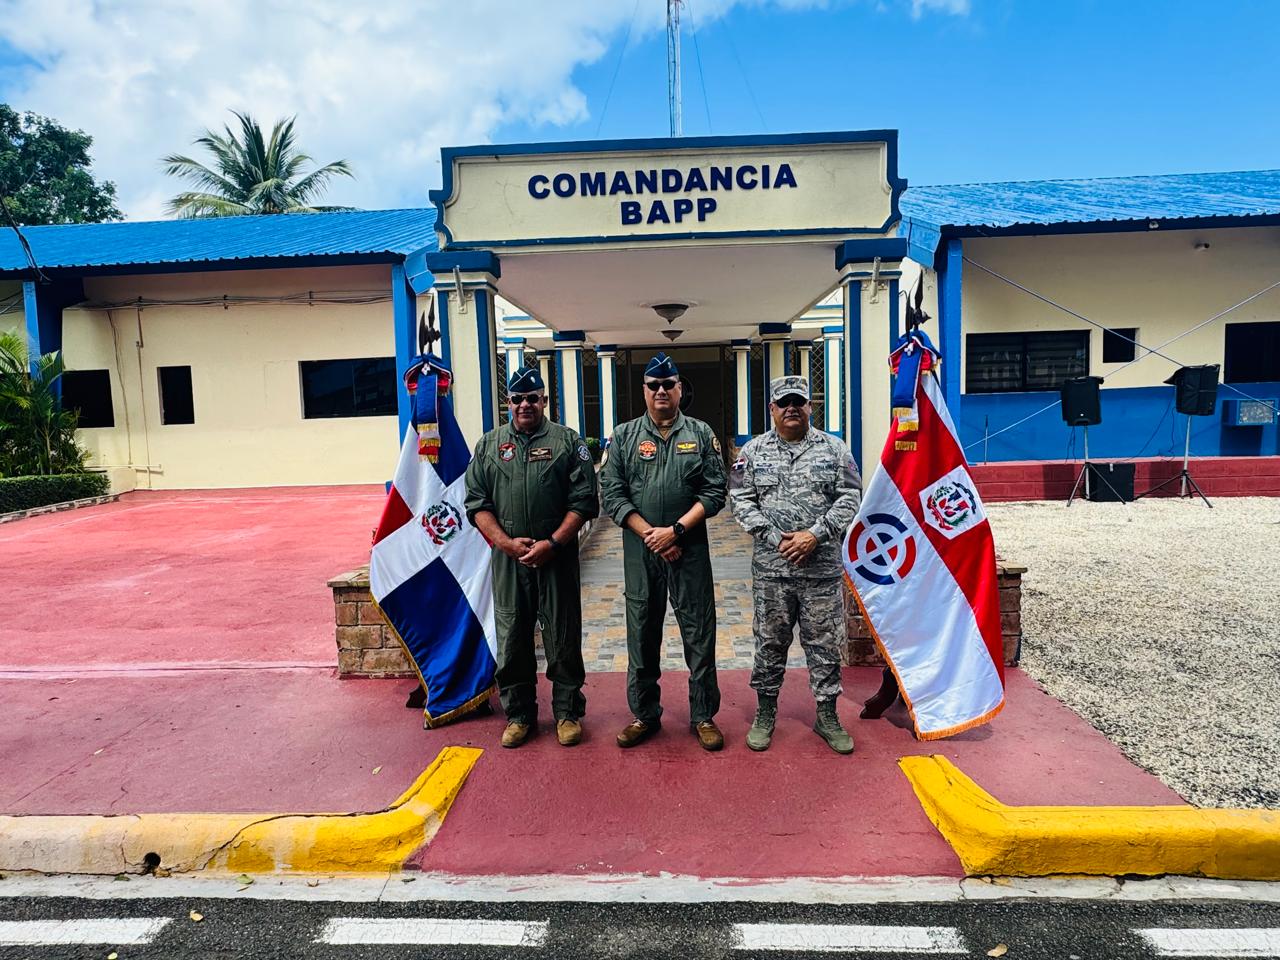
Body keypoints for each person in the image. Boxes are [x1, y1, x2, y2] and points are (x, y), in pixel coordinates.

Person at [463, 366, 599, 748]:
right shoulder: (489, 446)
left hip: (555, 557)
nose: (525, 404)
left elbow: (585, 501)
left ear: (544, 401)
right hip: (509, 561)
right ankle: (520, 715)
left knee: (563, 634)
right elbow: (476, 503)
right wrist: (505, 543)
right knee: (512, 637)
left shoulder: (567, 442)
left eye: (532, 398)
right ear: (509, 403)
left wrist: (553, 543)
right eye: (517, 399)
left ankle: (567, 712)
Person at [599, 352, 728, 750]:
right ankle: (644, 715)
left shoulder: (702, 434)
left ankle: (704, 716)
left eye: (667, 385)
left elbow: (715, 491)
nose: (660, 391)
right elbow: (612, 492)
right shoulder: (623, 437)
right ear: (644, 391)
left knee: (699, 634)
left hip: (688, 550)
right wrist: (651, 536)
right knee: (641, 634)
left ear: (679, 389)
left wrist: (674, 532)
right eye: (653, 386)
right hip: (641, 554)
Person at [729, 375, 862, 754]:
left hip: (820, 570)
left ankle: (827, 715)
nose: (791, 408)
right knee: (770, 643)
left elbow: (851, 496)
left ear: (809, 406)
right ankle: (766, 712)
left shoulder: (835, 450)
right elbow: (741, 501)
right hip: (772, 571)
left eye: (798, 402)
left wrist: (815, 535)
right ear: (771, 409)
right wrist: (775, 538)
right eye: (783, 402)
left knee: (824, 644)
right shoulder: (751, 452)